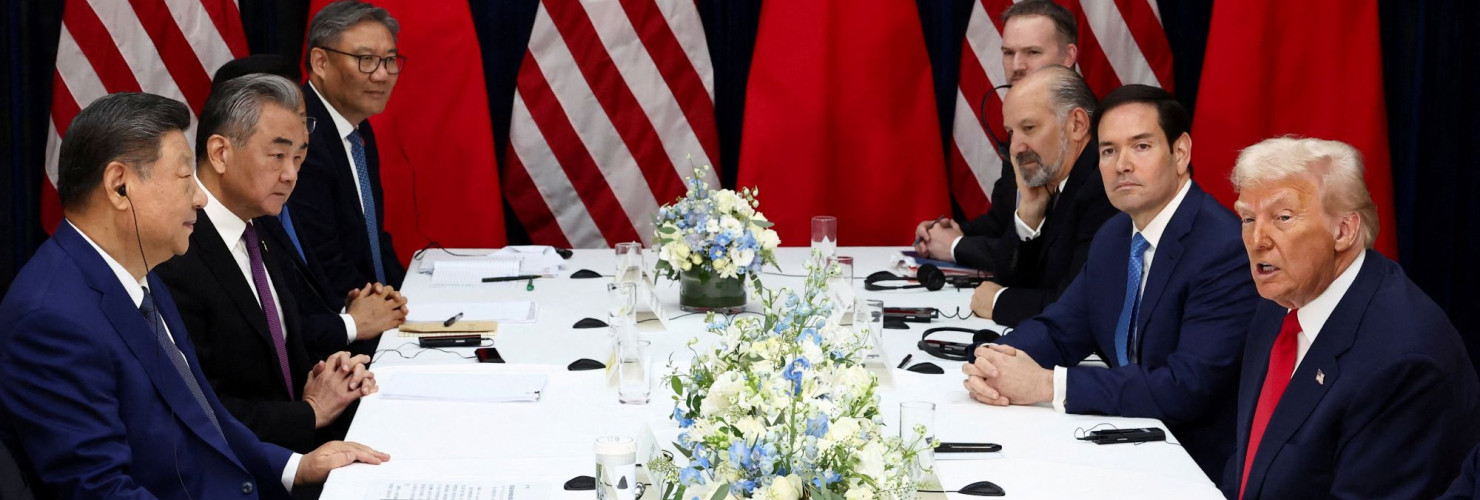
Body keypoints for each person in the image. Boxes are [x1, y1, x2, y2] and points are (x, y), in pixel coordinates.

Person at [0, 92, 387, 499]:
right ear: (119, 187)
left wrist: (297, 466)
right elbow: (101, 490)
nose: (201, 198)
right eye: (186, 178)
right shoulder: (51, 319)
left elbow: (207, 419)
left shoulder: (141, 276)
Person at [961, 85, 1259, 481]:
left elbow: (1186, 388)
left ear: (1181, 153)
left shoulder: (1222, 248)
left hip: (1192, 466)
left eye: (1141, 147)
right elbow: (1061, 328)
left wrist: (1050, 384)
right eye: (1108, 151)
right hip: (1119, 442)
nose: (1122, 165)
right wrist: (996, 361)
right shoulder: (1115, 236)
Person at [153, 74, 408, 453]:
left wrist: (331, 374)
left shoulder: (261, 224)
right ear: (221, 153)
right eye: (277, 155)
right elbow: (200, 408)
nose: (291, 175)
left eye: (299, 157)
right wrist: (310, 413)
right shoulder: (175, 249)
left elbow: (283, 344)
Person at [1222, 137, 1480, 499]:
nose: (1257, 240)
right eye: (1248, 218)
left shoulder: (1402, 362)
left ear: (1343, 231)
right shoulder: (1279, 303)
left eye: (1282, 218)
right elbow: (1253, 461)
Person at [915, 0, 1080, 271]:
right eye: (1008, 52)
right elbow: (1004, 221)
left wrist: (957, 247)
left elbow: (1047, 251)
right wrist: (949, 232)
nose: (1017, 65)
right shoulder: (1018, 125)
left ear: (1068, 56)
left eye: (1032, 52)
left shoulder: (1088, 132)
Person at [964, 66, 1117, 327]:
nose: (1016, 147)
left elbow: (1080, 308)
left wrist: (1000, 302)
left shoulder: (1102, 187)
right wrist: (1030, 212)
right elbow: (1013, 277)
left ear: (1077, 125)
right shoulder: (1056, 182)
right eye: (1012, 132)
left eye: (1029, 127)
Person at [290, 0, 407, 300]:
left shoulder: (357, 127)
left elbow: (372, 241)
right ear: (320, 62)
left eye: (390, 60)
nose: (382, 75)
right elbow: (322, 258)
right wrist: (389, 313)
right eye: (366, 59)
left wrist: (408, 296)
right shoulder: (300, 134)